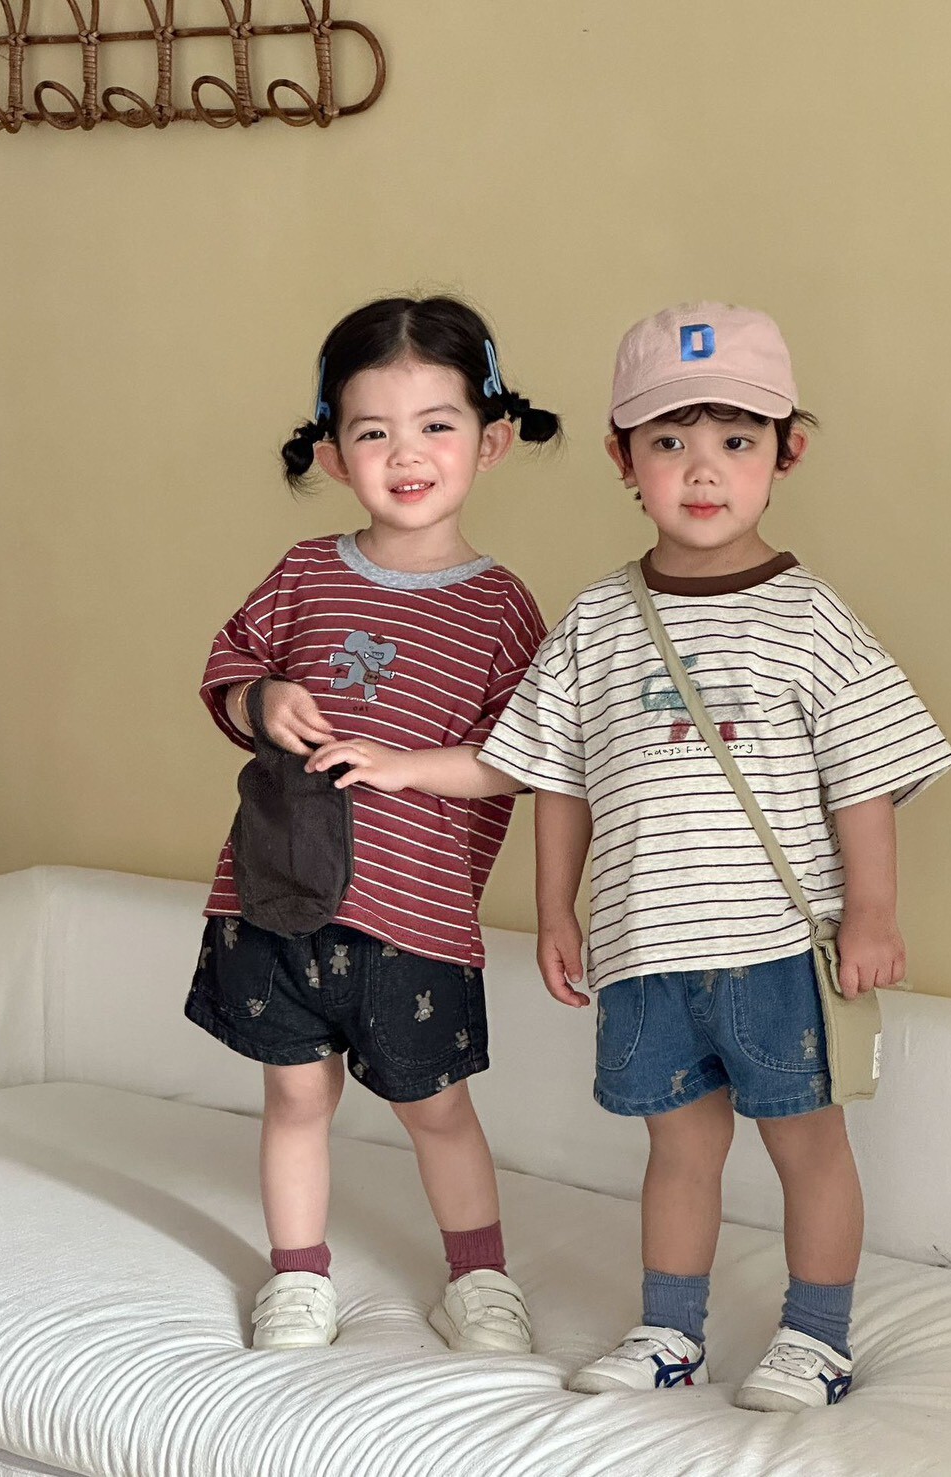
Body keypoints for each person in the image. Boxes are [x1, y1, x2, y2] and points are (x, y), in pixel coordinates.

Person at [478, 301, 951, 1410]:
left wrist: (873, 912)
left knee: (807, 1146)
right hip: (647, 948)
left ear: (786, 454)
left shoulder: (812, 618)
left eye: (737, 440)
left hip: (778, 948)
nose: (703, 470)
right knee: (677, 1152)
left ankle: (816, 1338)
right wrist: (555, 910)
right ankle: (669, 1331)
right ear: (622, 459)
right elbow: (559, 778)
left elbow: (864, 777)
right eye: (670, 441)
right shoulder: (596, 622)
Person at [185, 294, 560, 1354]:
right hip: (276, 894)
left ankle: (477, 1278)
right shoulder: (304, 573)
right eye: (373, 431)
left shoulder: (501, 608)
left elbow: (520, 758)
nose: (406, 454)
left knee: (436, 1108)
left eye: (436, 424)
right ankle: (298, 1276)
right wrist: (261, 699)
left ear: (489, 442)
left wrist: (401, 765)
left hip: (416, 918)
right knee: (295, 1098)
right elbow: (226, 676)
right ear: (333, 452)